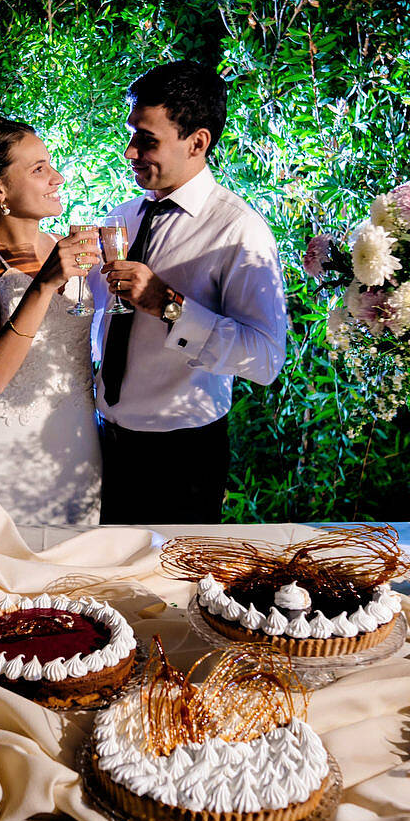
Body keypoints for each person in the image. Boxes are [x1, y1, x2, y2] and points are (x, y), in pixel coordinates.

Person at [93, 61, 288, 524]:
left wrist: (170, 306)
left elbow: (265, 360)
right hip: (101, 439)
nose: (130, 151)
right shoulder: (123, 215)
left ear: (197, 142)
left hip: (182, 456)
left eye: (147, 139)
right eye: (132, 135)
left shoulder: (240, 231)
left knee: (171, 592)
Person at [0, 111, 102, 524]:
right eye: (39, 169)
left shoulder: (60, 244)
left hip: (75, 441)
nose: (58, 177)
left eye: (50, 164)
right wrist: (45, 285)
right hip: (7, 447)